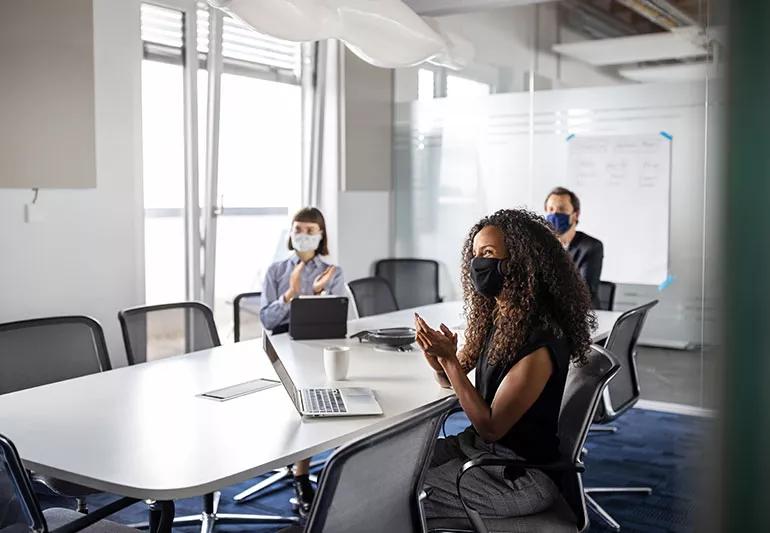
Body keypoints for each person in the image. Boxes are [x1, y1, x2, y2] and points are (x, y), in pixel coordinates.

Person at [415, 208, 596, 522]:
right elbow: (456, 386)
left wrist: (450, 362)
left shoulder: (540, 341)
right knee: (394, 470)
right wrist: (440, 363)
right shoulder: (499, 316)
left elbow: (491, 427)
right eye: (474, 254)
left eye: (487, 253)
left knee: (404, 492)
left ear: (520, 262)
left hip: (520, 477)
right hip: (481, 454)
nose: (477, 263)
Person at [259, 206, 345, 518]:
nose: (303, 236)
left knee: (328, 392)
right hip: (283, 347)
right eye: (299, 229)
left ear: (320, 235)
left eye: (310, 231)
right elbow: (266, 319)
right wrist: (291, 294)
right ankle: (300, 475)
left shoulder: (332, 272)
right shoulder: (276, 271)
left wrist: (318, 293)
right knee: (304, 398)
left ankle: (333, 468)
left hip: (319, 344)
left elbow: (340, 317)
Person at [544, 187, 604, 308]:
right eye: (550, 209)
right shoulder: (540, 247)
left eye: (561, 209)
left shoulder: (591, 247)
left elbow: (585, 292)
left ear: (575, 215)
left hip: (583, 315)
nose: (555, 214)